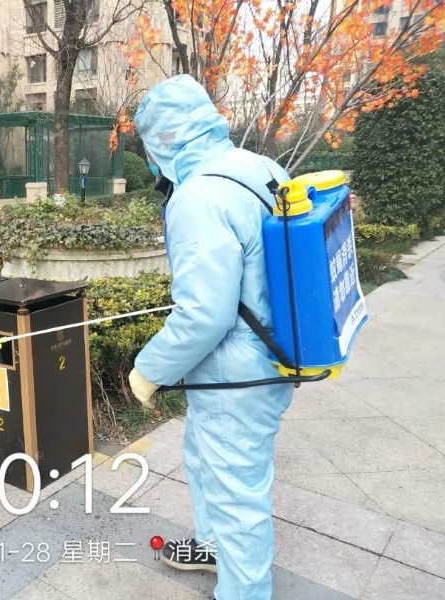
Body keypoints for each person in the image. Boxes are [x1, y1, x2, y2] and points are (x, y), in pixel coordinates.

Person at [127, 74, 295, 600]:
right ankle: (212, 547)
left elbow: (204, 315)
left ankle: (244, 591)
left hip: (236, 373)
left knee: (236, 492)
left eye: (148, 145)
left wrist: (148, 369)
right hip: (268, 353)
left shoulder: (198, 196)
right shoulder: (260, 166)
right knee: (204, 458)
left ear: (163, 140)